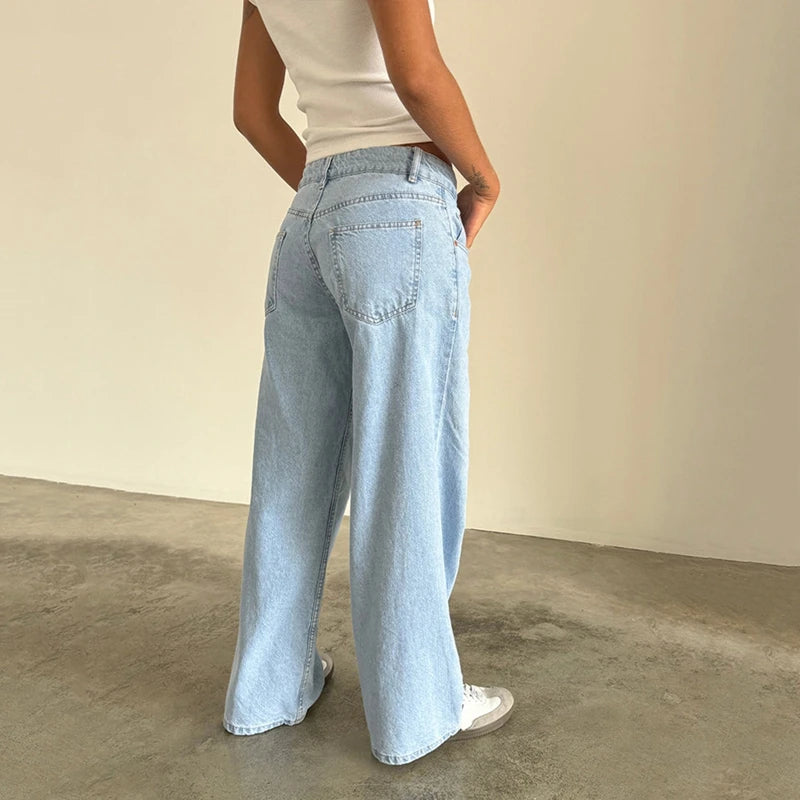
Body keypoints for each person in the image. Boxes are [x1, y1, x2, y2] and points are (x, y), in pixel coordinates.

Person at [222, 0, 513, 766]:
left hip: (308, 217)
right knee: (406, 463)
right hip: (400, 201)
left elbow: (252, 112)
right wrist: (483, 177)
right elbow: (415, 75)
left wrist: (331, 190)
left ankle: (266, 691)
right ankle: (417, 708)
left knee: (292, 469)